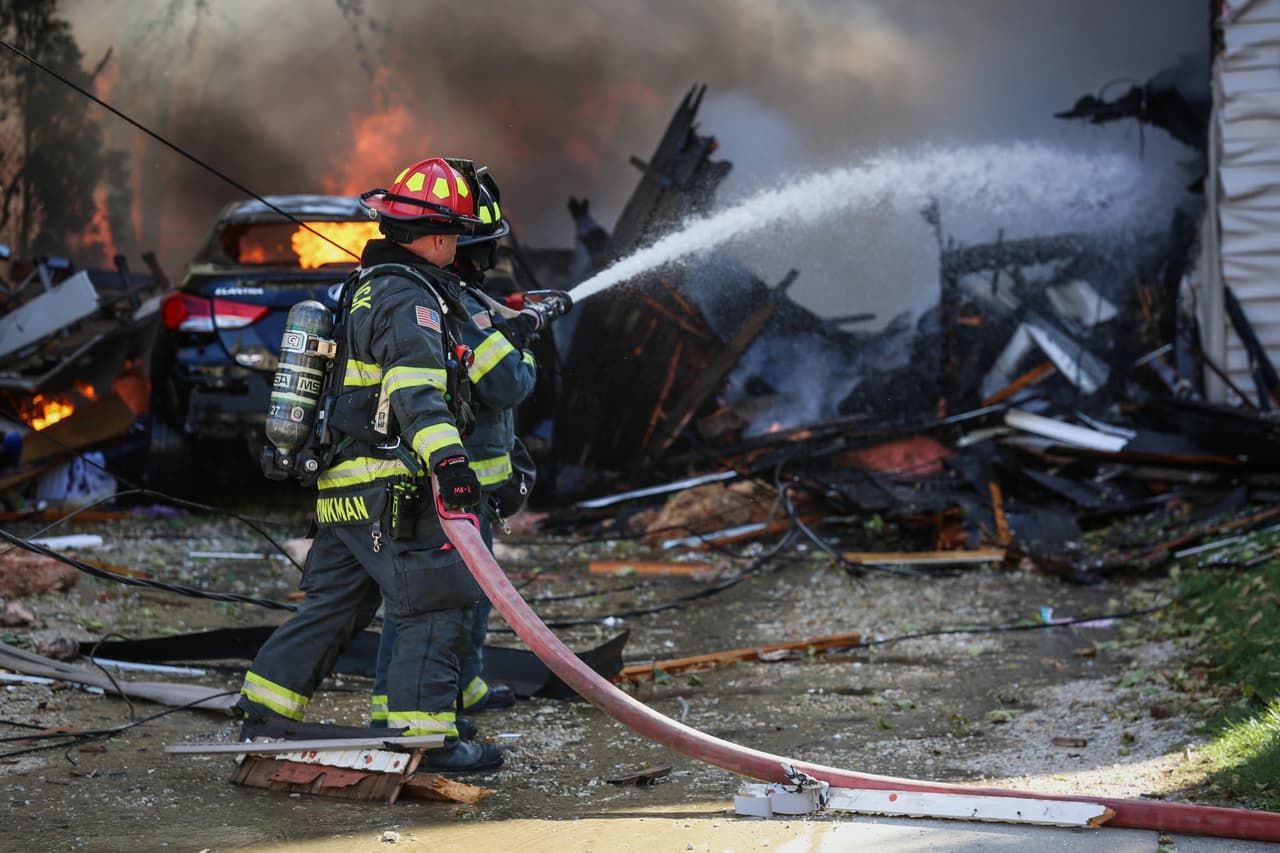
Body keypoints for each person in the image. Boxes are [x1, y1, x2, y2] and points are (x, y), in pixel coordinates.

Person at [235, 156, 503, 773]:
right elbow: (416, 389)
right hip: (392, 487)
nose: (461, 246)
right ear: (436, 236)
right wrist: (451, 461)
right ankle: (421, 739)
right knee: (436, 599)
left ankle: (265, 710)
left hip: (343, 492)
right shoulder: (410, 297)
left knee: (334, 605)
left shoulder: (363, 285)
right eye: (458, 234)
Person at [371, 171, 540, 727]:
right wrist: (526, 347)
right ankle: (416, 714)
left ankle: (462, 685)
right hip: (450, 482)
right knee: (431, 603)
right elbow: (507, 383)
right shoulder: (451, 305)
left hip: (463, 482)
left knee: (464, 596)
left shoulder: (457, 299)